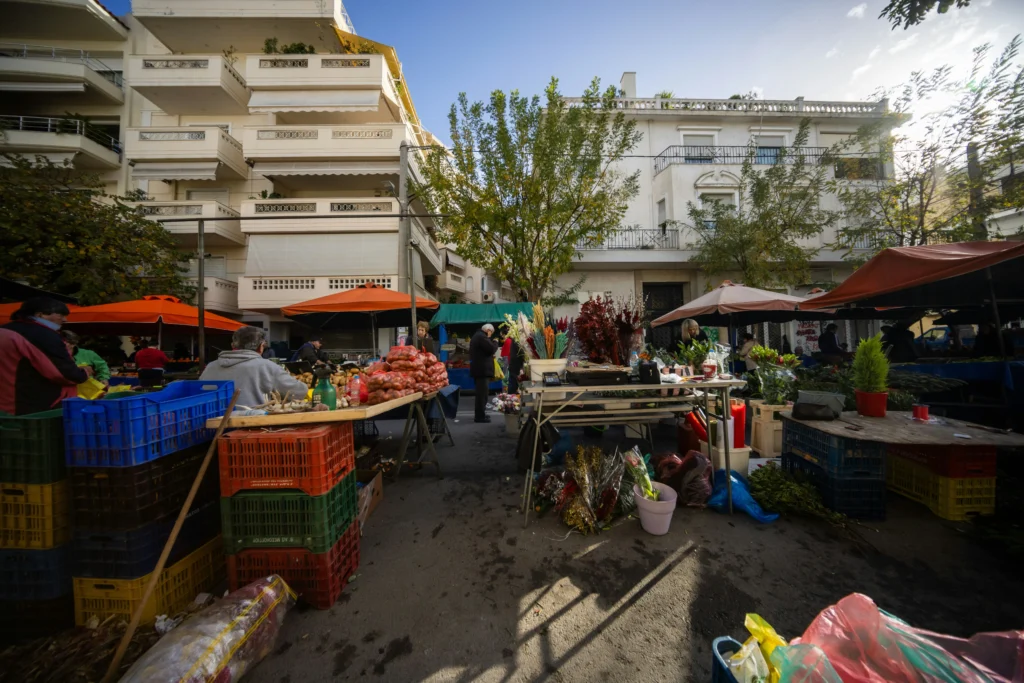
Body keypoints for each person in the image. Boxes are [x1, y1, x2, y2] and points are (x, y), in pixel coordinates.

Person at [1, 298, 88, 414]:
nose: (64, 320)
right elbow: (63, 373)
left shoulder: (4, 330)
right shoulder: (43, 335)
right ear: (40, 314)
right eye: (60, 315)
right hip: (32, 405)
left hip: (6, 403)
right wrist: (84, 373)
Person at [200, 326, 310, 408]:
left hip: (211, 425)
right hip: (252, 425)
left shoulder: (210, 366)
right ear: (261, 346)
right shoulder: (267, 367)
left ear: (233, 346)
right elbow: (299, 391)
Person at [470, 323, 499, 423]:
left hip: (480, 370)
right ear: (488, 330)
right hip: (482, 370)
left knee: (482, 394)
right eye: (491, 332)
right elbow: (491, 349)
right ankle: (479, 416)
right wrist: (495, 342)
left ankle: (481, 414)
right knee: (482, 395)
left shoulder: (478, 336)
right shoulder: (481, 337)